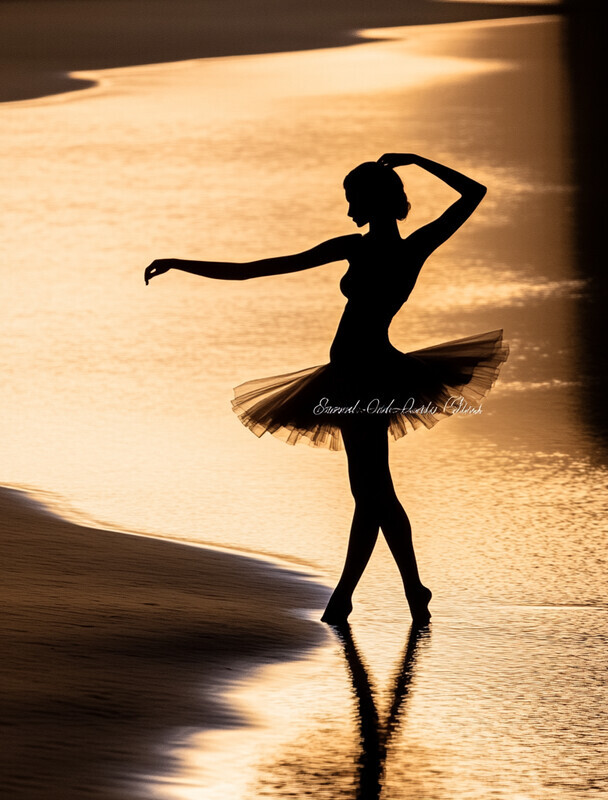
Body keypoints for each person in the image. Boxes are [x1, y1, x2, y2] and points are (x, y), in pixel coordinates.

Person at [145, 153, 509, 625]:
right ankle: (400, 593)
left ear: (368, 201)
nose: (348, 209)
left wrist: (414, 160)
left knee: (372, 493)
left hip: (364, 377)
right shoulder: (409, 247)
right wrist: (183, 263)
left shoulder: (370, 248)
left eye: (352, 199)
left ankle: (359, 596)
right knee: (374, 493)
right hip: (365, 373)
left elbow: (261, 268)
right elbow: (263, 267)